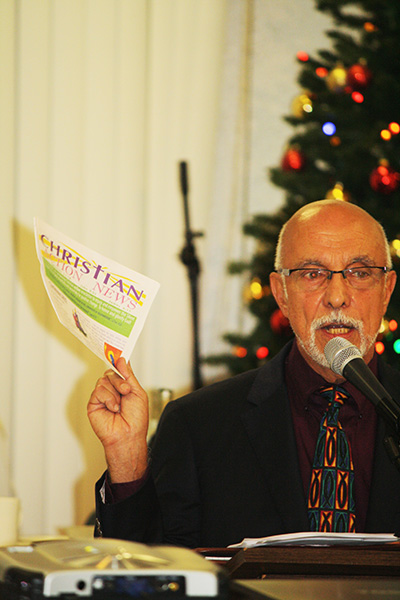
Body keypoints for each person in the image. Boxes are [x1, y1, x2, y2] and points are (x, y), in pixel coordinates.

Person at [88, 199, 400, 548]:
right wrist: (126, 458)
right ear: (281, 293)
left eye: (360, 273)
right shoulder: (197, 424)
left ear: (386, 291)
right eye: (313, 274)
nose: (337, 297)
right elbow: (149, 570)